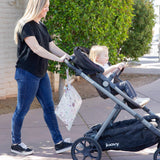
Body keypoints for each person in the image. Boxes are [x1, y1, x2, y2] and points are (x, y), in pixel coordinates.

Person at [11, 0, 72, 156]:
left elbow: (51, 46)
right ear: (37, 7)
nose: (47, 10)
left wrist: (66, 56)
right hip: (27, 74)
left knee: (49, 107)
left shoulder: (42, 26)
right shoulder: (25, 25)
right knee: (22, 109)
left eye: (48, 7)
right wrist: (57, 60)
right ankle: (16, 143)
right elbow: (36, 48)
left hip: (41, 73)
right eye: (45, 7)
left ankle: (58, 143)